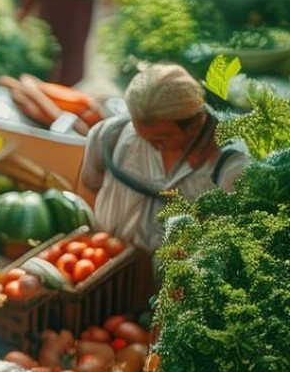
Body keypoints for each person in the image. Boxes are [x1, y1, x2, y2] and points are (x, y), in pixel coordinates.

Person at [80, 64, 249, 253]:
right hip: (105, 263)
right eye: (139, 133)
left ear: (194, 124)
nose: (150, 144)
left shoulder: (229, 168)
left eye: (160, 139)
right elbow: (90, 187)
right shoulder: (108, 135)